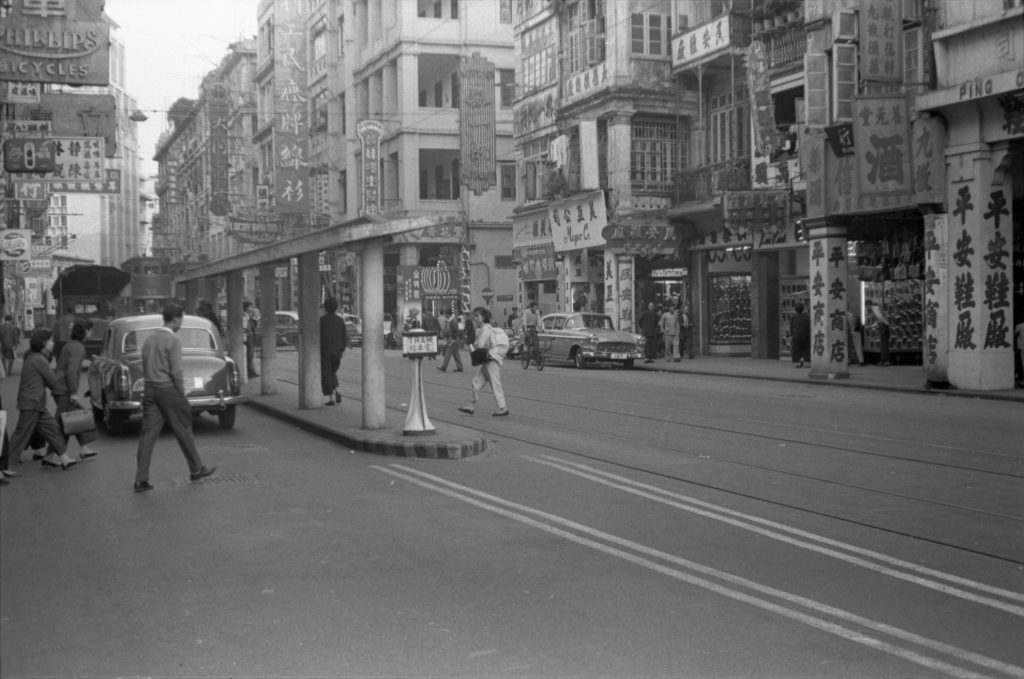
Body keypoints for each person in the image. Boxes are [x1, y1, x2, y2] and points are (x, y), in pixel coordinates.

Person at [133, 304, 216, 493]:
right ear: (176, 319)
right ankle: (196, 468)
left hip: (151, 389)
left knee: (148, 436)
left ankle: (141, 479)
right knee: (184, 428)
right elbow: (177, 371)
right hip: (168, 389)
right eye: (181, 319)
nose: (181, 323)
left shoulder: (149, 340)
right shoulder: (173, 340)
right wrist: (181, 393)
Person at [6, 328, 76, 471]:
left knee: (53, 429)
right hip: (32, 403)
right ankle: (5, 464)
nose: (53, 343)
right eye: (50, 340)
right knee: (21, 434)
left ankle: (63, 458)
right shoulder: (39, 360)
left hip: (35, 403)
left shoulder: (33, 356)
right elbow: (53, 382)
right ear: (43, 343)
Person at [47, 322, 98, 465]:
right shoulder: (78, 348)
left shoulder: (70, 344)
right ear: (86, 331)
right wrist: (74, 391)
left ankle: (84, 448)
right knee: (63, 422)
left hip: (61, 387)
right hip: (64, 389)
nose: (91, 334)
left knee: (74, 417)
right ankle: (51, 454)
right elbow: (72, 371)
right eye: (90, 330)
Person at [457, 307, 508, 417]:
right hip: (487, 359)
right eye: (474, 316)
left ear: (483, 317)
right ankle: (471, 405)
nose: (475, 318)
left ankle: (503, 407)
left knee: (495, 384)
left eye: (477, 316)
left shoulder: (485, 328)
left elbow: (480, 345)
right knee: (476, 382)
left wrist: (475, 343)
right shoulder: (486, 327)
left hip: (491, 360)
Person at [320, 297, 347, 406]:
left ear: (326, 308)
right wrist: (342, 349)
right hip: (337, 351)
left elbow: (319, 337)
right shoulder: (340, 320)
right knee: (332, 372)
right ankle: (337, 389)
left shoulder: (322, 321)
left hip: (325, 351)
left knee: (326, 373)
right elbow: (344, 336)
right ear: (336, 308)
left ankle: (332, 397)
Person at [865, 300, 890, 366]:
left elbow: (881, 319)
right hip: (883, 326)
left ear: (868, 305)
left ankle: (886, 361)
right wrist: (873, 325)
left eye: (866, 306)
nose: (866, 308)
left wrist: (872, 326)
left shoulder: (875, 308)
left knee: (884, 345)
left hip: (883, 326)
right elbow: (879, 319)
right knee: (883, 344)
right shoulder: (875, 308)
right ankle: (883, 360)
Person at [790, 302, 811, 368]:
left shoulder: (793, 317)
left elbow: (791, 326)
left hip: (796, 336)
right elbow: (809, 326)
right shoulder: (807, 316)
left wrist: (792, 334)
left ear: (796, 309)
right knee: (806, 349)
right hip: (805, 335)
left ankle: (799, 362)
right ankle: (806, 362)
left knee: (797, 350)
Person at [242, 301, 258, 378]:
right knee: (249, 355)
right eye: (250, 307)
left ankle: (251, 371)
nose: (252, 309)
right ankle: (250, 372)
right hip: (248, 337)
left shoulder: (248, 315)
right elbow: (245, 328)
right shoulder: (244, 316)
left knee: (250, 355)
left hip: (250, 336)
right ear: (246, 307)